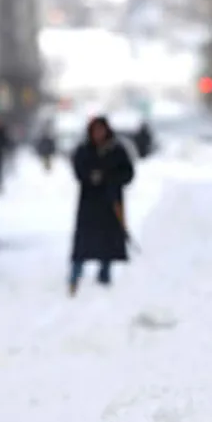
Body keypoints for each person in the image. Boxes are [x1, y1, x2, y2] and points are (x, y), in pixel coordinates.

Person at [69, 116, 135, 296]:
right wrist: (90, 177)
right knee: (84, 242)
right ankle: (75, 276)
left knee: (108, 241)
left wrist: (110, 179)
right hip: (89, 203)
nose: (98, 134)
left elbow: (128, 173)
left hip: (110, 202)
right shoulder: (84, 150)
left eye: (101, 130)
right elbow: (78, 170)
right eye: (95, 130)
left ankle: (104, 276)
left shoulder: (117, 150)